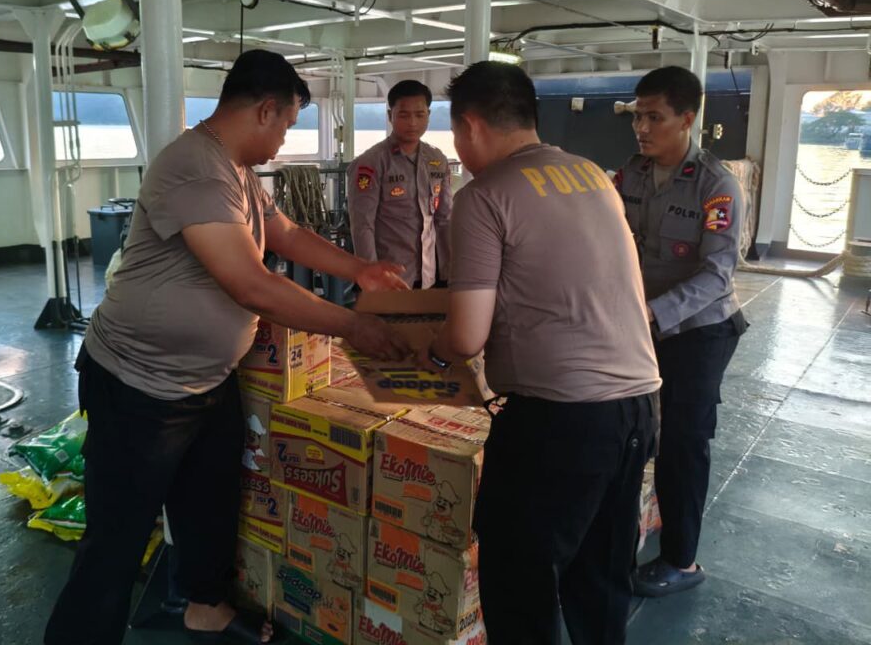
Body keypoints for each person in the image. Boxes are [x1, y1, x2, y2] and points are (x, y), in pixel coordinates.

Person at [44, 50, 410, 645]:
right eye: (287, 124)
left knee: (209, 502)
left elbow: (285, 233)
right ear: (265, 110)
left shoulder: (236, 168)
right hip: (139, 384)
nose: (284, 139)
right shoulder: (195, 166)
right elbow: (251, 284)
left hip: (208, 379)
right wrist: (352, 326)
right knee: (117, 538)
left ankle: (204, 606)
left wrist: (360, 269)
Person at [417, 62, 661, 645]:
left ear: (470, 126)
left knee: (518, 584)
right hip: (639, 408)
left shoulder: (484, 196)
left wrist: (428, 349)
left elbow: (466, 337)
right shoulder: (591, 174)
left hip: (559, 423)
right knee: (599, 580)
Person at [615, 66, 747, 597]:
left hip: (699, 330)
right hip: (642, 324)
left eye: (655, 117)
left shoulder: (717, 186)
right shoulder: (631, 175)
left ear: (687, 119)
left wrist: (651, 314)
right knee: (632, 432)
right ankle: (624, 535)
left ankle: (681, 560)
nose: (641, 128)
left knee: (683, 443)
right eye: (637, 117)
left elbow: (717, 276)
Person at [347, 80, 452, 289]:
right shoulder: (372, 163)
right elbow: (362, 226)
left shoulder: (437, 160)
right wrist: (372, 276)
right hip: (391, 277)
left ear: (429, 115)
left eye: (420, 115)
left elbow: (444, 219)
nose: (412, 123)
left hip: (431, 275)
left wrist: (450, 272)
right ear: (390, 115)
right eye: (404, 115)